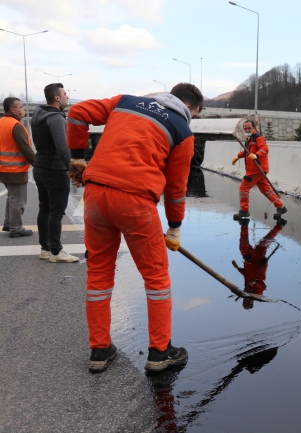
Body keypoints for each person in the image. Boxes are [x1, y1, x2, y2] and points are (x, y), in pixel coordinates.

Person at [66, 83, 204, 373]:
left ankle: (100, 349)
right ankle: (160, 351)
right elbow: (176, 188)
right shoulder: (182, 129)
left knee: (99, 272)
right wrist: (175, 226)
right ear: (190, 108)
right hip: (136, 201)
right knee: (156, 277)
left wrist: (78, 156)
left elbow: (77, 113)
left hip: (95, 194)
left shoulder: (125, 101)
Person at [31, 83, 78, 262]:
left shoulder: (38, 115)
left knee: (44, 209)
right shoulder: (56, 118)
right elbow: (63, 149)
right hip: (55, 170)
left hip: (40, 168)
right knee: (56, 212)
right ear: (57, 97)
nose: (67, 97)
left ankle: (45, 248)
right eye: (65, 94)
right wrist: (75, 172)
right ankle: (56, 252)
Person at [231, 120, 287, 220]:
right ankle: (281, 207)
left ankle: (244, 210)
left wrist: (257, 155)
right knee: (266, 190)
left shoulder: (258, 138)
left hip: (257, 169)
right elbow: (247, 151)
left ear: (254, 128)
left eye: (249, 128)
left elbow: (265, 149)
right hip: (255, 169)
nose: (247, 130)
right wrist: (238, 156)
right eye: (245, 128)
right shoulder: (249, 138)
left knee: (243, 188)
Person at [232, 218, 284, 310]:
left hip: (256, 263)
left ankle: (279, 226)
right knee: (243, 247)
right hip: (255, 263)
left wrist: (237, 268)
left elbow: (246, 275)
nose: (246, 301)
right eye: (247, 303)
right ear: (252, 303)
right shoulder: (257, 295)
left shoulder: (246, 291)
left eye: (244, 302)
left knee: (264, 242)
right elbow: (262, 286)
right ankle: (244, 224)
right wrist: (255, 283)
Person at [0, 97, 34, 238]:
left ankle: (8, 223)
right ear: (12, 109)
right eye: (20, 107)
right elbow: (25, 147)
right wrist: (36, 162)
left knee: (11, 197)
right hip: (15, 169)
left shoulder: (2, 122)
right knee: (18, 200)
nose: (22, 109)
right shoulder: (16, 125)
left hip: (3, 168)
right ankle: (16, 228)